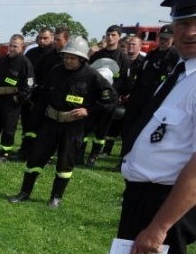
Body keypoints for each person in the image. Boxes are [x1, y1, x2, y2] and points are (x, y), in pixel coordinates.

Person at [87, 0, 196, 254]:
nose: (189, 31)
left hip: (169, 200)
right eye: (182, 22)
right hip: (143, 193)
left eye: (195, 23)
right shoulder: (178, 69)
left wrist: (161, 225)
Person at [8, 37, 116, 208]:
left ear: (82, 59)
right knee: (36, 158)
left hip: (73, 127)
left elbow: (110, 98)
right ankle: (24, 192)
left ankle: (56, 197)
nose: (68, 60)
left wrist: (89, 110)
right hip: (51, 123)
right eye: (66, 56)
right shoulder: (56, 71)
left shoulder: (92, 76)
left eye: (72, 58)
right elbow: (44, 94)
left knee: (65, 162)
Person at [120, 24, 178, 158]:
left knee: (143, 129)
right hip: (138, 97)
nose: (163, 41)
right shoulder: (152, 54)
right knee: (129, 127)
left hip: (153, 99)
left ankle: (136, 156)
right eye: (161, 38)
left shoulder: (174, 56)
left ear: (173, 39)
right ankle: (124, 156)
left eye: (167, 38)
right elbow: (140, 75)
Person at [85, 25, 131, 164]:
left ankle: (93, 155)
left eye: (113, 35)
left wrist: (114, 92)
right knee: (86, 126)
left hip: (110, 99)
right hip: (94, 96)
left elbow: (124, 79)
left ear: (119, 37)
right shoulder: (98, 55)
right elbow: (88, 73)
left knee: (102, 129)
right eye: (108, 35)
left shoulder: (123, 57)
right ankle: (78, 153)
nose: (110, 37)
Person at [0, 34, 34, 162]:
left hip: (12, 101)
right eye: (10, 45)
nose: (11, 49)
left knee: (8, 128)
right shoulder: (2, 60)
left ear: (21, 47)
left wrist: (19, 99)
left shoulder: (25, 63)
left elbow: (29, 85)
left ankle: (4, 154)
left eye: (15, 46)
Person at [16, 27, 55, 160]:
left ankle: (41, 152)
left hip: (44, 94)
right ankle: (25, 149)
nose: (42, 41)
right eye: (40, 38)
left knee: (42, 125)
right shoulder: (31, 53)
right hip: (28, 93)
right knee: (27, 123)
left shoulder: (54, 55)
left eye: (45, 38)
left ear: (52, 38)